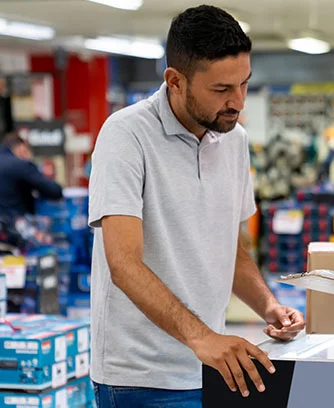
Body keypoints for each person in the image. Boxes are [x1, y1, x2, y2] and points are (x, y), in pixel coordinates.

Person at [88, 5, 305, 407]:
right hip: (141, 377)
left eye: (244, 84)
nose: (238, 102)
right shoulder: (126, 136)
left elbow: (229, 246)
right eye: (222, 90)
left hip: (213, 368)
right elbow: (123, 263)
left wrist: (268, 305)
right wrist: (202, 337)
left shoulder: (234, 139)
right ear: (175, 81)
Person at [0, 132, 63, 218]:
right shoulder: (20, 165)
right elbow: (54, 190)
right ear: (21, 148)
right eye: (26, 151)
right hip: (15, 224)